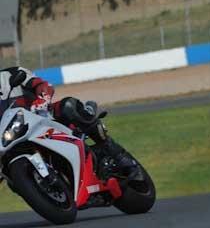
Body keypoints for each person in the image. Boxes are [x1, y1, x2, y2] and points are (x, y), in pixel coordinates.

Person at [0, 67, 139, 177]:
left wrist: (42, 99)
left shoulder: (10, 74)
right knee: (7, 171)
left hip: (44, 118)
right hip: (15, 142)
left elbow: (42, 85)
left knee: (68, 106)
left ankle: (116, 153)